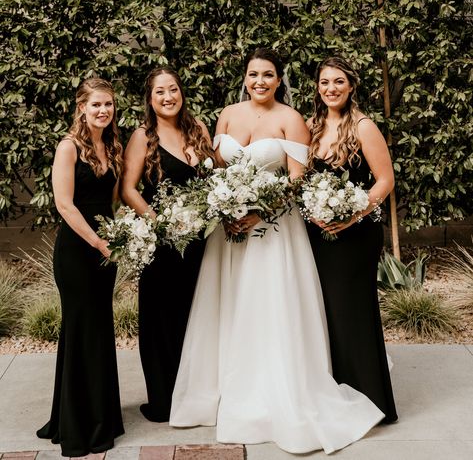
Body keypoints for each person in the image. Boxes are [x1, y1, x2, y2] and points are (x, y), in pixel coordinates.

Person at [170, 47, 385, 455]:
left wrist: (258, 212)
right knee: (229, 305)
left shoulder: (292, 120)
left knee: (267, 307)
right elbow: (218, 168)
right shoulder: (228, 115)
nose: (260, 82)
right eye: (254, 74)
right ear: (245, 77)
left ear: (279, 79)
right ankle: (220, 388)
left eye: (268, 75)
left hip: (272, 230)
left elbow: (297, 182)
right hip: (230, 232)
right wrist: (224, 203)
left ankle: (271, 391)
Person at [305, 55, 398, 424]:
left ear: (351, 86)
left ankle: (372, 400)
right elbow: (300, 179)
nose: (331, 88)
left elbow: (385, 180)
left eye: (338, 82)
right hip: (318, 234)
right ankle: (335, 393)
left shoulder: (363, 126)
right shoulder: (310, 127)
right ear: (318, 87)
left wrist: (353, 213)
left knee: (352, 313)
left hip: (355, 236)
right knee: (325, 313)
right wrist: (311, 210)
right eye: (325, 82)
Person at [120, 66, 214, 423]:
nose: (168, 97)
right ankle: (163, 398)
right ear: (150, 99)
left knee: (196, 316)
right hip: (161, 245)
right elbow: (128, 189)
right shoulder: (143, 136)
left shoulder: (199, 129)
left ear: (181, 93)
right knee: (162, 320)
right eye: (160, 92)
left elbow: (213, 178)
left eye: (173, 89)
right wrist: (161, 224)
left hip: (200, 242)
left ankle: (197, 393)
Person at [37, 78, 124, 457]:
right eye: (96, 105)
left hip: (107, 252)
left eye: (108, 105)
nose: (103, 111)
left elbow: (115, 200)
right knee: (80, 329)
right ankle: (78, 425)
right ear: (81, 108)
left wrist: (124, 236)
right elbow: (65, 205)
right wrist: (100, 242)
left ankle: (98, 413)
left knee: (98, 330)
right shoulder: (68, 147)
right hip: (78, 251)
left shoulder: (113, 146)